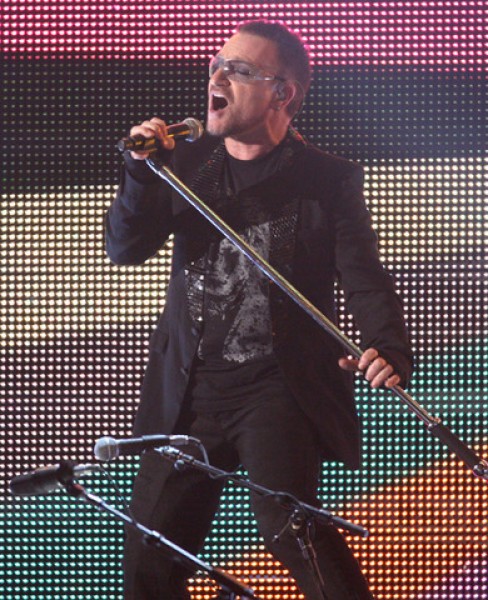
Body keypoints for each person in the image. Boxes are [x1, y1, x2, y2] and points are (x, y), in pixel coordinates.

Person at [106, 19, 413, 600]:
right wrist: (139, 175)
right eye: (216, 64)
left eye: (240, 70)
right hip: (190, 390)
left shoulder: (327, 179)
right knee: (151, 554)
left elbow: (365, 278)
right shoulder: (183, 162)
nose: (217, 77)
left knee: (291, 528)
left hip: (276, 388)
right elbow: (126, 248)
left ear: (282, 93)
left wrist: (388, 346)